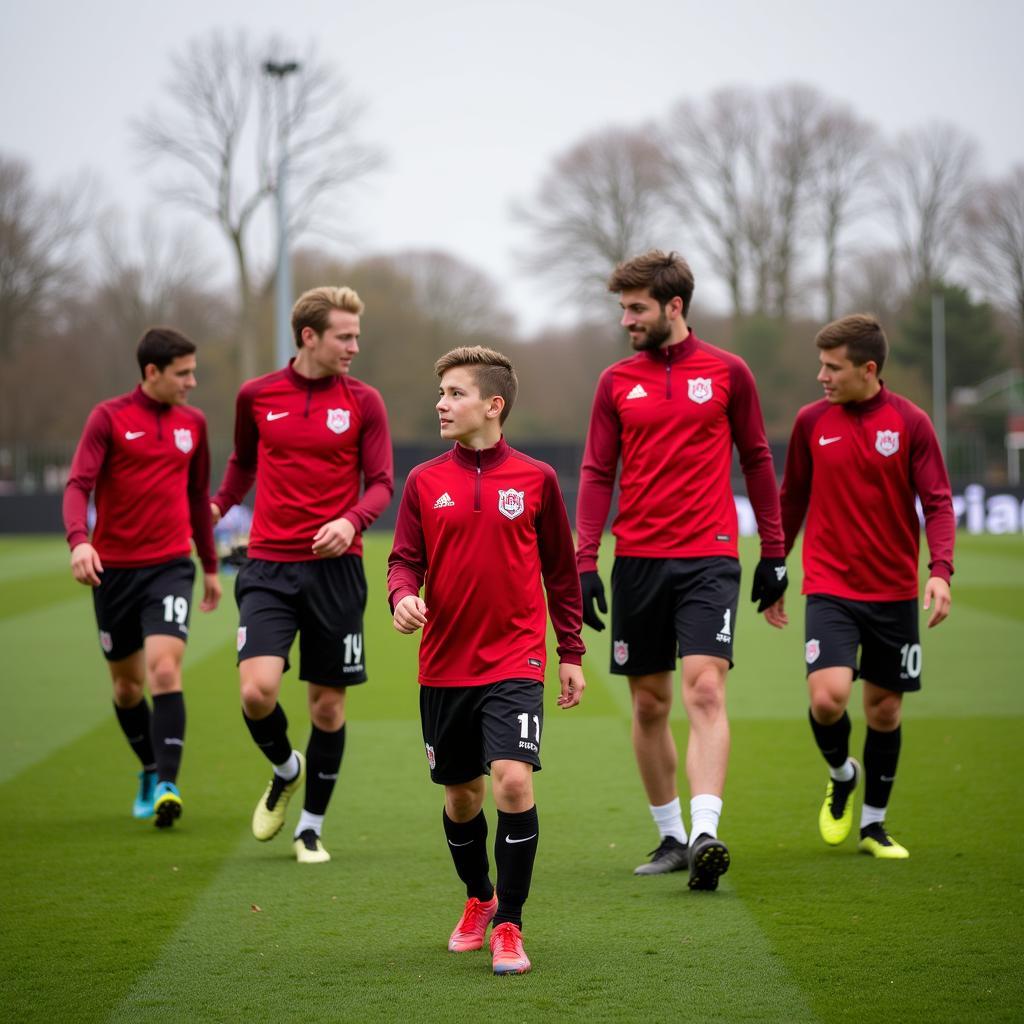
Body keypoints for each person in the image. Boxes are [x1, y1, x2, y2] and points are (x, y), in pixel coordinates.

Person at [576, 250, 787, 890]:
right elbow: (595, 473)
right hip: (637, 558)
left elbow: (756, 460)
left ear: (674, 307)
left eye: (636, 308)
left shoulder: (729, 373)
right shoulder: (615, 382)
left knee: (703, 689)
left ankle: (704, 832)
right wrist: (585, 560)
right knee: (648, 703)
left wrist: (773, 552)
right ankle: (670, 834)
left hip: (709, 555)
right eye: (622, 308)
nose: (626, 321)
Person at [387, 346, 585, 975]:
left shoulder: (536, 480)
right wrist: (402, 597)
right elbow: (403, 560)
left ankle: (510, 925)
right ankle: (479, 896)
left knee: (512, 781)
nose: (441, 404)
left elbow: (561, 571)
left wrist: (570, 652)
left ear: (492, 405)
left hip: (515, 659)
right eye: (440, 393)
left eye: (454, 393)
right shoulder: (423, 481)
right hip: (443, 664)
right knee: (463, 797)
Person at [211, 286, 393, 864]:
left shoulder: (365, 401)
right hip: (267, 564)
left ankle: (310, 826)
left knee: (327, 709)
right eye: (345, 336)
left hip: (336, 572)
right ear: (309, 336)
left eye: (356, 335)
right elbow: (242, 461)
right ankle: (287, 769)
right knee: (256, 691)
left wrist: (351, 520)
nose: (354, 347)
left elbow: (383, 482)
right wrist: (217, 506)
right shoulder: (257, 396)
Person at [774, 313, 954, 858]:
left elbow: (938, 504)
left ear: (868, 369)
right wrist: (776, 567)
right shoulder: (810, 422)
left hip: (895, 591)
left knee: (884, 712)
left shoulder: (911, 423)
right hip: (829, 585)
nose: (822, 376)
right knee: (828, 700)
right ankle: (841, 773)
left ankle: (874, 825)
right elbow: (792, 499)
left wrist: (940, 572)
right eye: (821, 365)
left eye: (833, 367)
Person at [63, 327, 221, 828]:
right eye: (183, 373)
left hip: (170, 567)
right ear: (152, 372)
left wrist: (210, 565)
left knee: (164, 671)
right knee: (128, 689)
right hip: (112, 572)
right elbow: (78, 485)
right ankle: (150, 769)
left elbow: (199, 499)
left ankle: (169, 785)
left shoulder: (193, 423)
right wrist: (78, 540)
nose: (192, 382)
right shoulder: (108, 418)